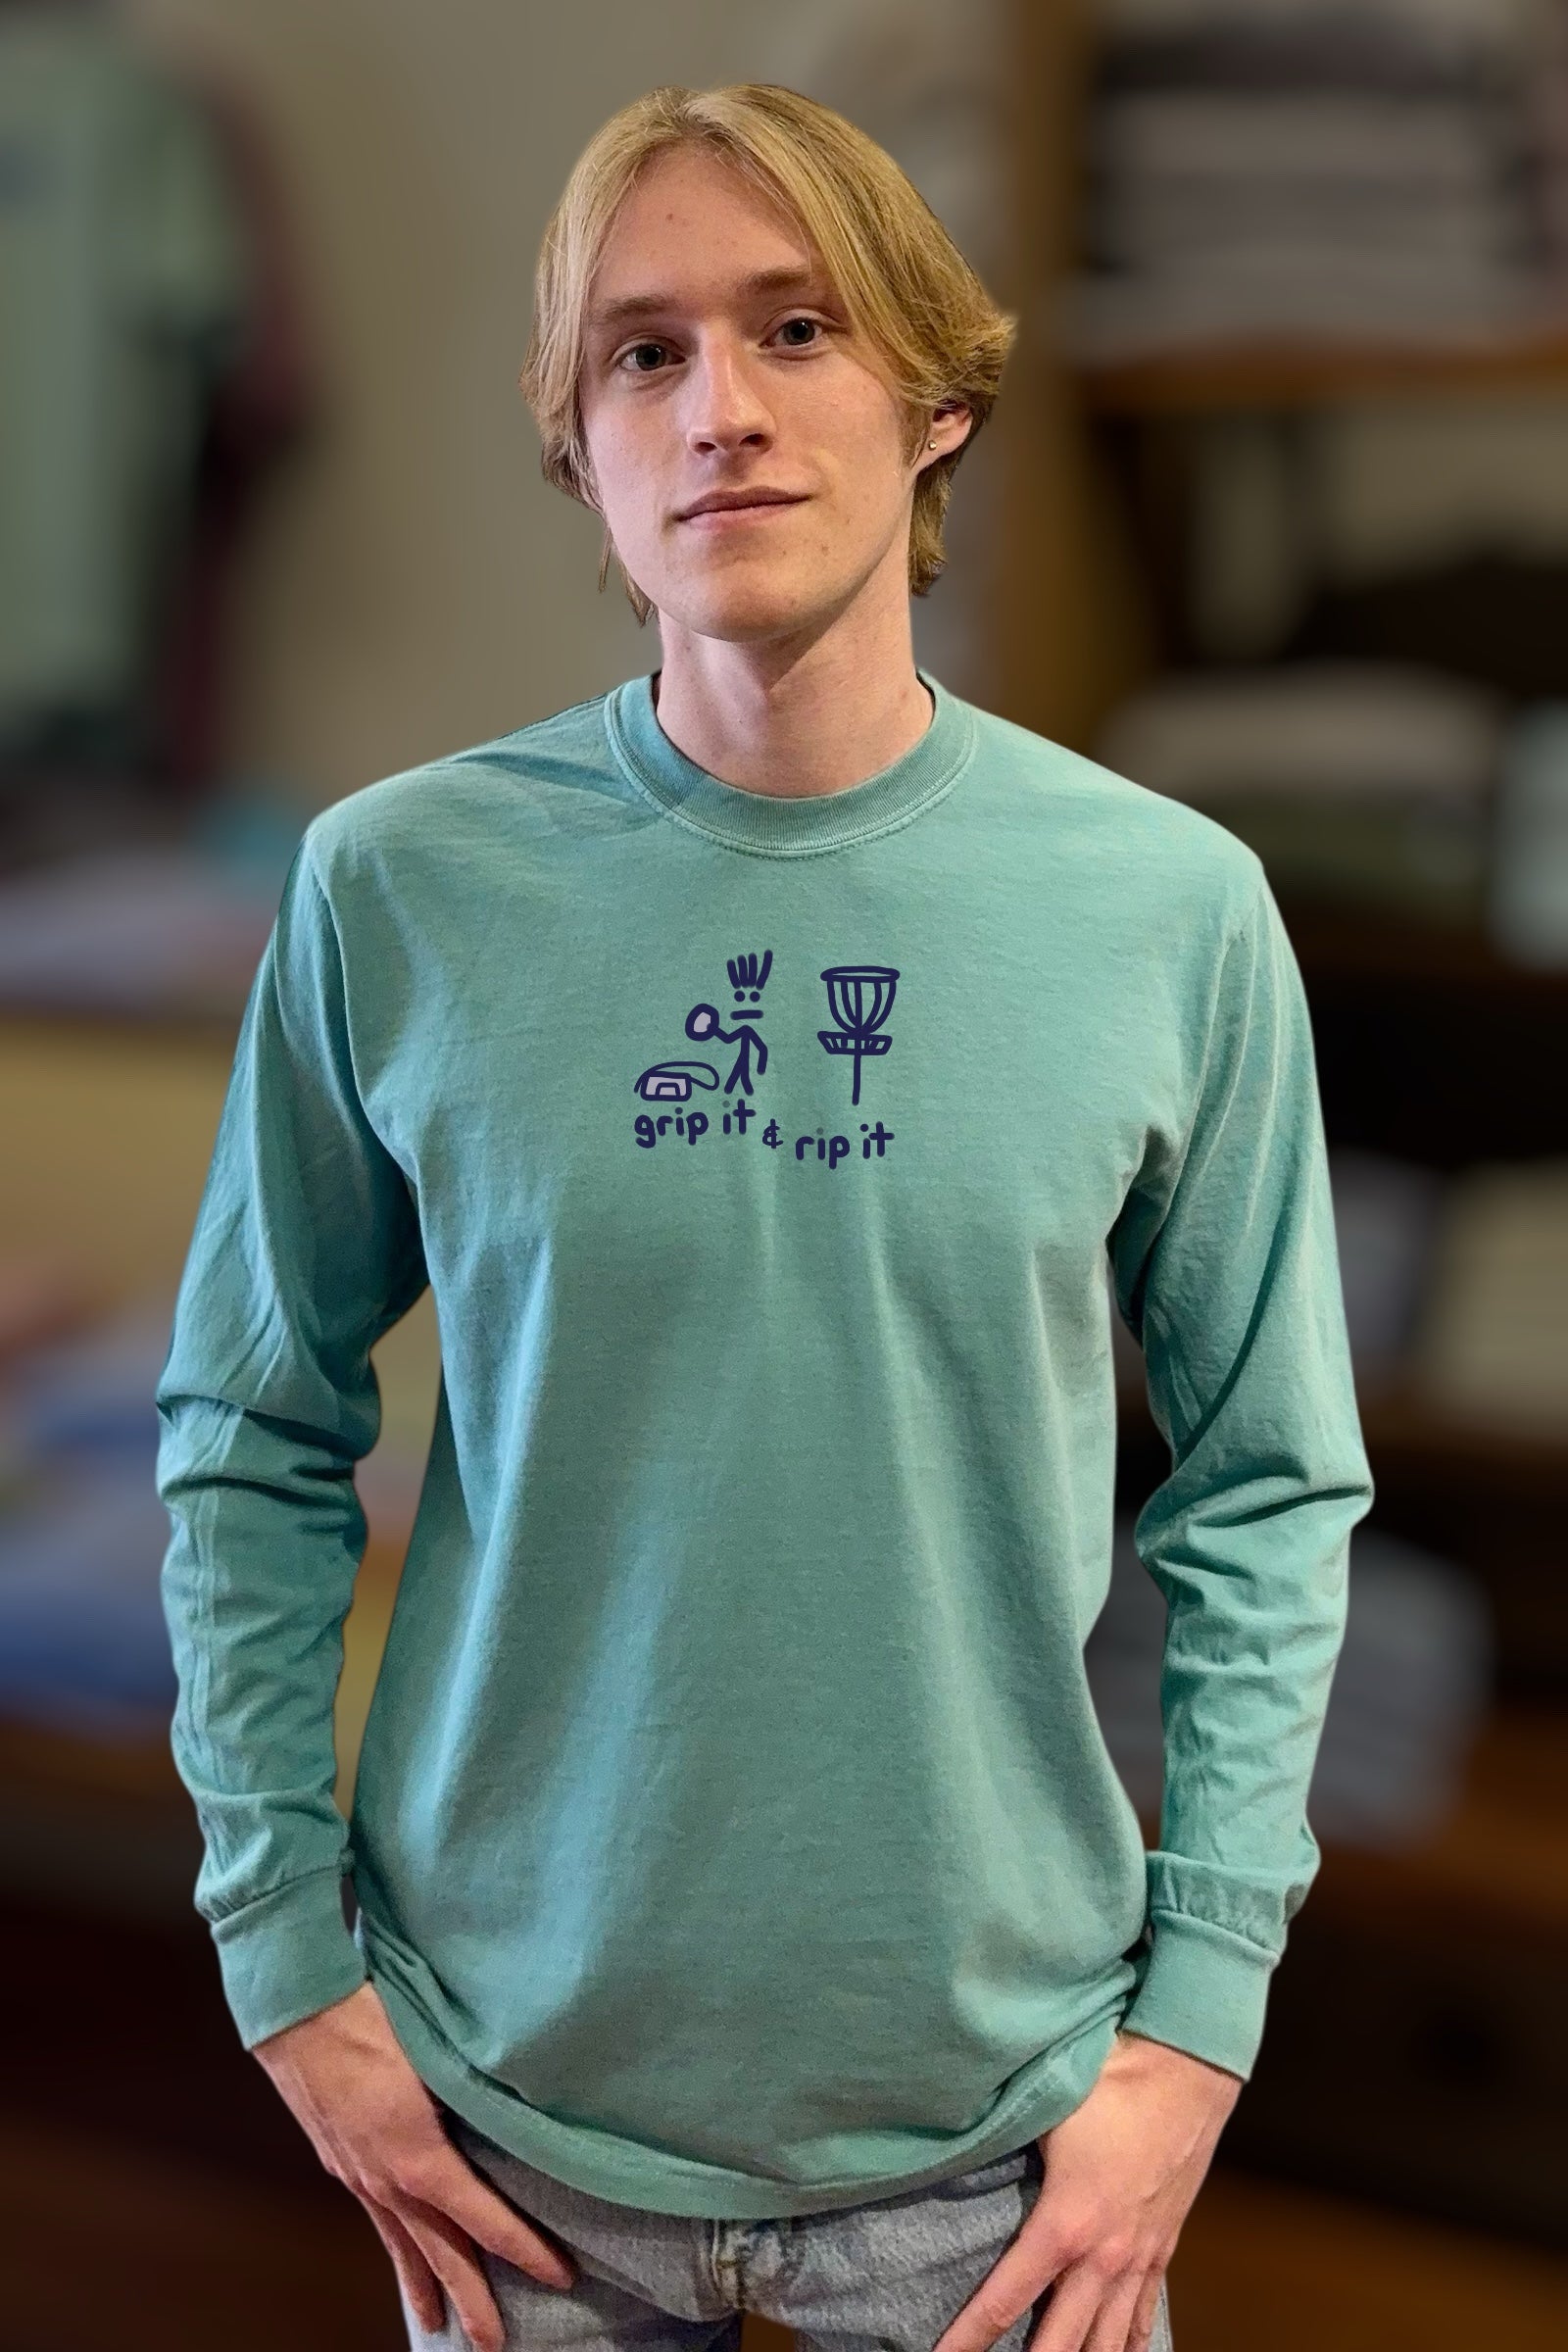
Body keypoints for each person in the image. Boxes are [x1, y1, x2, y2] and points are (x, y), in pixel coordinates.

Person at [155, 80, 1374, 2352]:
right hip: (509, 2131)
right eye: (643, 351)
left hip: (1005, 2152)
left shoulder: (1170, 913)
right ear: (578, 446)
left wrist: (1197, 2029)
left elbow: (1268, 1484)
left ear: (933, 396)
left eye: (793, 328)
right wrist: (282, 1959)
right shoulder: (392, 890)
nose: (718, 406)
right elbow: (248, 1428)